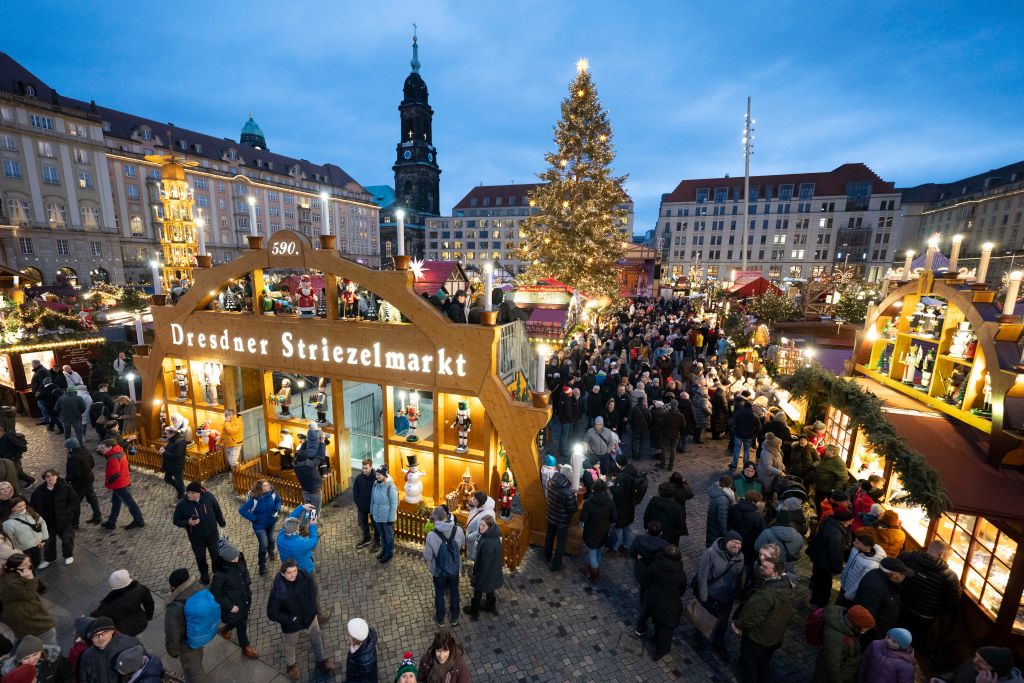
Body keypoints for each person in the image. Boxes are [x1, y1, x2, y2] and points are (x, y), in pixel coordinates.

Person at [267, 558, 334, 680]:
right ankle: (291, 666)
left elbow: (312, 588)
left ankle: (321, 661)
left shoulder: (302, 574)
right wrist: (290, 619)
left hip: (310, 617)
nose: (293, 575)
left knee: (317, 638)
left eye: (294, 571)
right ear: (283, 573)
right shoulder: (278, 590)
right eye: (289, 572)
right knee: (290, 645)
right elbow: (272, 613)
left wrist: (312, 607)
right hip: (293, 625)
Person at [732, 556, 795, 683]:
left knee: (749, 665)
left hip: (757, 638)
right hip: (772, 637)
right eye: (762, 565)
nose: (761, 567)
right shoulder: (785, 586)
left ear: (775, 573)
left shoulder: (766, 594)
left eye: (765, 567)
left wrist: (738, 624)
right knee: (762, 663)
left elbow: (753, 616)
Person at [897, 539, 962, 653]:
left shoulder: (907, 556)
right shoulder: (950, 576)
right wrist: (938, 611)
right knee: (914, 639)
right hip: (924, 615)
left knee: (896, 628)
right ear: (942, 555)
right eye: (948, 557)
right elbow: (953, 600)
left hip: (901, 602)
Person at [694, 531, 746, 657]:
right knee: (704, 618)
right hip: (710, 595)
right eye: (734, 542)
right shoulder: (711, 553)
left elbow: (739, 577)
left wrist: (737, 594)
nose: (737, 546)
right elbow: (702, 575)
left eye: (739, 544)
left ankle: (718, 643)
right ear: (727, 541)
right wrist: (704, 596)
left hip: (727, 597)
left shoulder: (740, 557)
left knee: (723, 622)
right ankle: (698, 638)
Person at [164, 568, 218, 683]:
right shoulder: (200, 587)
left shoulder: (175, 606)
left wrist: (172, 651)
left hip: (187, 643)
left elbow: (172, 632)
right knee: (198, 653)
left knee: (194, 670)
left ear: (174, 587)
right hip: (201, 633)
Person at [636, 545, 687, 661]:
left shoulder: (655, 566)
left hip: (654, 600)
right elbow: (682, 590)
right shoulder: (680, 574)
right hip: (670, 606)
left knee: (658, 622)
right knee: (666, 630)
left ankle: (655, 638)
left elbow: (645, 578)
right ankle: (660, 651)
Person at [172, 482, 226, 585]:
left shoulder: (209, 497)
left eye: (192, 493)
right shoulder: (182, 504)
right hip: (196, 538)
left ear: (199, 493)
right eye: (187, 492)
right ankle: (204, 576)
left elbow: (217, 510)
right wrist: (188, 522)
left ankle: (217, 572)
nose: (189, 495)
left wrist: (221, 522)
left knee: (216, 555)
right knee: (200, 558)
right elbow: (176, 520)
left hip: (212, 534)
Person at [210, 544, 258, 659]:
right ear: (228, 559)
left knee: (240, 620)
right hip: (235, 606)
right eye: (235, 557)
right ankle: (245, 648)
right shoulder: (220, 575)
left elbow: (245, 576)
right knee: (242, 625)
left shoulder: (239, 562)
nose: (238, 557)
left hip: (245, 600)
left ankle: (224, 630)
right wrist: (229, 606)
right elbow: (215, 594)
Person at [423, 506, 467, 626]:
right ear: (446, 516)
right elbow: (462, 545)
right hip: (454, 569)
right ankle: (455, 617)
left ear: (434, 520)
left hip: (438, 571)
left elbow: (427, 556)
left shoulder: (431, 535)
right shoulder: (457, 530)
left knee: (439, 594)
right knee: (454, 592)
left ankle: (440, 618)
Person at [0, 554, 56, 647]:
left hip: (22, 620)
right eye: (26, 564)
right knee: (49, 641)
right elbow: (28, 594)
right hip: (31, 621)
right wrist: (30, 579)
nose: (30, 564)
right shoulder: (11, 583)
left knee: (22, 640)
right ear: (16, 568)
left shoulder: (10, 576)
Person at [813, 605, 876, 683]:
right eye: (866, 627)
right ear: (856, 624)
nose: (867, 630)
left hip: (843, 672)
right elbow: (833, 665)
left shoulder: (849, 628)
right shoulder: (835, 637)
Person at [29, 470, 78, 567]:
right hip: (47, 522)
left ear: (57, 476)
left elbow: (74, 500)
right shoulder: (40, 490)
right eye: (47, 476)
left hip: (63, 520)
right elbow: (32, 505)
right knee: (48, 542)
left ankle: (68, 555)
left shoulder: (65, 487)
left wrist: (67, 513)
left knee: (67, 539)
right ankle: (49, 559)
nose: (50, 478)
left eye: (53, 475)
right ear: (44, 478)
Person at [854, 557, 914, 635]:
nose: (904, 576)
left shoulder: (877, 574)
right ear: (893, 574)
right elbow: (868, 615)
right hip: (875, 632)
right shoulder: (875, 588)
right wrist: (876, 635)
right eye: (902, 574)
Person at [807, 508, 853, 608]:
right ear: (843, 520)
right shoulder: (835, 534)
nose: (851, 522)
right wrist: (837, 568)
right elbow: (834, 552)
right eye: (850, 520)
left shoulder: (830, 523)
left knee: (818, 580)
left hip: (820, 559)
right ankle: (820, 604)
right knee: (824, 585)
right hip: (825, 563)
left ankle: (816, 599)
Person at [90, 569, 154, 637]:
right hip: (141, 621)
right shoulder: (140, 588)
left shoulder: (109, 604)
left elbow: (98, 617)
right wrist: (149, 616)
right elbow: (149, 603)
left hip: (124, 631)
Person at [78, 616, 143, 683]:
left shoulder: (130, 644)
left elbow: (145, 669)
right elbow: (83, 678)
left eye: (104, 633)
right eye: (95, 635)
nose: (100, 638)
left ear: (112, 631)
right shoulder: (87, 655)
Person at [238, 479, 282, 576]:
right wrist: (254, 518)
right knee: (263, 544)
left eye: (268, 485)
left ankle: (271, 551)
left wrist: (277, 510)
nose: (269, 486)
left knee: (271, 539)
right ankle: (262, 565)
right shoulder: (253, 499)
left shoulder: (273, 493)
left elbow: (278, 501)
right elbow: (242, 510)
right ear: (260, 489)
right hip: (259, 526)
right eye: (266, 486)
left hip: (271, 522)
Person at [98, 439, 144, 531]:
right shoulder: (119, 451)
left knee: (130, 503)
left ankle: (138, 520)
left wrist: (108, 481)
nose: (101, 449)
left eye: (103, 448)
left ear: (110, 447)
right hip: (123, 481)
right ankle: (111, 522)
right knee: (116, 502)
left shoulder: (113, 458)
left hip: (119, 484)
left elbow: (115, 474)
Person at [464, 515, 503, 621]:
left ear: (489, 527)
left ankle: (474, 613)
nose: (480, 527)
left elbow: (485, 565)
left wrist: (478, 579)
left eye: (483, 525)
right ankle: (490, 607)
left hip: (486, 573)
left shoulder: (487, 543)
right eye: (480, 524)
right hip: (493, 572)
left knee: (478, 593)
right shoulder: (493, 536)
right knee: (490, 590)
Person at [579, 479, 616, 582]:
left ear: (593, 489)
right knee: (598, 551)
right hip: (603, 531)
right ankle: (593, 568)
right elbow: (614, 518)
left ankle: (595, 574)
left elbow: (583, 518)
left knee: (592, 553)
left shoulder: (588, 503)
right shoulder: (609, 502)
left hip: (591, 532)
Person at [544, 464, 578, 572]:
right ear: (569, 476)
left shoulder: (550, 482)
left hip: (551, 515)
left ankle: (547, 555)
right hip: (562, 521)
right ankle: (556, 565)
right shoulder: (569, 492)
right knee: (560, 543)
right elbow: (572, 509)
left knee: (549, 536)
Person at [837, 534, 887, 607]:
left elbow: (861, 582)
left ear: (867, 547)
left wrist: (849, 595)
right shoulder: (855, 549)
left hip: (851, 591)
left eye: (857, 543)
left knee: (843, 608)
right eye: (855, 541)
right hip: (844, 584)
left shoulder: (871, 565)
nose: (854, 543)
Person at [0, 633, 72, 682]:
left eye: (35, 654)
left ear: (41, 651)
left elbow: (67, 677)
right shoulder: (12, 676)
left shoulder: (56, 660)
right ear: (19, 660)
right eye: (26, 658)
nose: (32, 660)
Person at [3, 497, 48, 570]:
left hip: (37, 545)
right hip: (23, 550)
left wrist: (44, 539)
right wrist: (15, 552)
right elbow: (8, 541)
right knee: (28, 567)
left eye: (24, 505)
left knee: (36, 562)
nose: (23, 508)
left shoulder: (32, 513)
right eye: (19, 506)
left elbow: (42, 522)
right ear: (12, 508)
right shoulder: (8, 523)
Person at [64, 438, 101, 526]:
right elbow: (92, 464)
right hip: (88, 479)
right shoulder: (84, 451)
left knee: (75, 501)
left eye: (66, 447)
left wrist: (67, 479)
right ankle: (97, 516)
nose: (65, 448)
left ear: (71, 447)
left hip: (79, 483)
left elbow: (75, 473)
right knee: (92, 498)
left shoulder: (74, 457)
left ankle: (75, 522)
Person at [930, 647, 1022, 683]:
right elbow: (957, 672)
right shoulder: (974, 664)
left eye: (981, 661)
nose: (974, 661)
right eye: (976, 656)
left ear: (996, 671)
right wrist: (942, 679)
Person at [629, 520, 668, 604]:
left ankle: (643, 603)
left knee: (643, 588)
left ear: (647, 530)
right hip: (655, 572)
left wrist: (638, 558)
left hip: (641, 569)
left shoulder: (639, 540)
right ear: (660, 533)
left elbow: (632, 553)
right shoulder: (664, 545)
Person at [754, 510, 803, 574]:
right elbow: (798, 550)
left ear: (776, 519)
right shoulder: (799, 536)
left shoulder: (767, 532)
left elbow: (757, 547)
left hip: (768, 568)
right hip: (787, 568)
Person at [609, 453, 639, 555]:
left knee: (618, 527)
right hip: (630, 504)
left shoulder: (622, 477)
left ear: (619, 464)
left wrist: (611, 485)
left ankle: (615, 548)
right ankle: (626, 545)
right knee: (626, 525)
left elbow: (617, 492)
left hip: (621, 506)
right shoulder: (632, 470)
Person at [277, 504, 319, 573]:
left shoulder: (280, 536)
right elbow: (314, 541)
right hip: (305, 570)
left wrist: (301, 508)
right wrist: (312, 525)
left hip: (288, 569)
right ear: (296, 532)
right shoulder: (301, 543)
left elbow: (289, 519)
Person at [728, 490, 766, 567]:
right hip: (749, 547)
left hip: (734, 541)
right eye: (759, 501)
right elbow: (761, 534)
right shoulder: (757, 517)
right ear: (753, 502)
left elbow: (728, 523)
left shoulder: (734, 508)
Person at [370, 465, 398, 564]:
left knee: (388, 536)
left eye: (379, 474)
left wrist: (391, 518)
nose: (376, 476)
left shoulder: (391, 487)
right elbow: (372, 499)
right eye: (376, 474)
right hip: (378, 516)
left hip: (387, 518)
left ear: (384, 475)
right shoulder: (375, 484)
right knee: (382, 535)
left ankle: (389, 553)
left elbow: (394, 504)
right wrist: (372, 512)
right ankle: (384, 550)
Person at [644, 481, 685, 546]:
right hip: (669, 538)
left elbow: (646, 516)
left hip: (653, 533)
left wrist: (647, 527)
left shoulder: (653, 501)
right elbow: (680, 524)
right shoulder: (676, 507)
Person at [814, 445, 850, 510]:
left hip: (827, 490)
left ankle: (823, 518)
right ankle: (819, 517)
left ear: (832, 451)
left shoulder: (839, 462)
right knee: (817, 502)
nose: (825, 451)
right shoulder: (827, 457)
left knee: (824, 506)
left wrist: (835, 490)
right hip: (820, 486)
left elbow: (843, 478)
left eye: (827, 450)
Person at [291, 439, 324, 511]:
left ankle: (308, 520)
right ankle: (313, 522)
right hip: (315, 492)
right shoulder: (310, 465)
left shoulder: (295, 465)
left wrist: (307, 441)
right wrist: (322, 442)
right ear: (306, 459)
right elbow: (321, 457)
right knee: (315, 510)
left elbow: (300, 452)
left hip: (305, 491)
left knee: (308, 509)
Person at [351, 459, 377, 550]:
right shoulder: (359, 478)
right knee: (363, 523)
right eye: (363, 468)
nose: (364, 470)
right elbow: (355, 490)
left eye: (366, 468)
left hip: (373, 507)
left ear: (371, 467)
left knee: (375, 525)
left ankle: (377, 542)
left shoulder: (376, 478)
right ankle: (367, 538)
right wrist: (357, 501)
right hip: (362, 506)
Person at [464, 491, 495, 562]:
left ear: (479, 501)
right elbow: (475, 511)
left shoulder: (485, 514)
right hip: (472, 534)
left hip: (475, 539)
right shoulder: (482, 505)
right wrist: (472, 505)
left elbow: (480, 531)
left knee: (474, 554)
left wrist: (470, 536)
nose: (471, 499)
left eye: (474, 499)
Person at [344, 618, 377, 683]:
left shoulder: (364, 660)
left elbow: (365, 680)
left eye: (348, 635)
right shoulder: (363, 638)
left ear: (355, 639)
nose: (346, 637)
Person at [706, 475, 735, 548]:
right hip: (717, 527)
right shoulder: (723, 499)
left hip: (712, 523)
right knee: (715, 546)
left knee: (710, 542)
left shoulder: (716, 489)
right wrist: (725, 533)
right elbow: (722, 519)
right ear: (730, 484)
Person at [729, 400, 759, 470]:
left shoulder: (738, 413)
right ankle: (745, 466)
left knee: (737, 449)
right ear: (751, 407)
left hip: (738, 434)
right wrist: (754, 434)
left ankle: (734, 465)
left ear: (744, 406)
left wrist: (733, 429)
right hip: (749, 436)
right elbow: (759, 427)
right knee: (746, 450)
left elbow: (731, 422)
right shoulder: (754, 415)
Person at [159, 427, 186, 501]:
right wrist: (164, 449)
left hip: (177, 466)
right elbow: (171, 448)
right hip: (170, 465)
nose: (165, 435)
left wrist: (164, 452)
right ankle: (179, 490)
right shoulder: (172, 440)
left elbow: (177, 455)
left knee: (179, 481)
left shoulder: (181, 442)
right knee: (167, 479)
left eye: (167, 433)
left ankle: (181, 497)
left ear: (172, 434)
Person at [628, 395, 652, 460]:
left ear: (637, 401)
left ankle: (634, 456)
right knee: (642, 442)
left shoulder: (633, 409)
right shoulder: (646, 410)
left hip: (635, 428)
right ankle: (640, 456)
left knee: (634, 442)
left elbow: (629, 419)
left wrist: (632, 425)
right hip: (644, 428)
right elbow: (650, 419)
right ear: (643, 402)